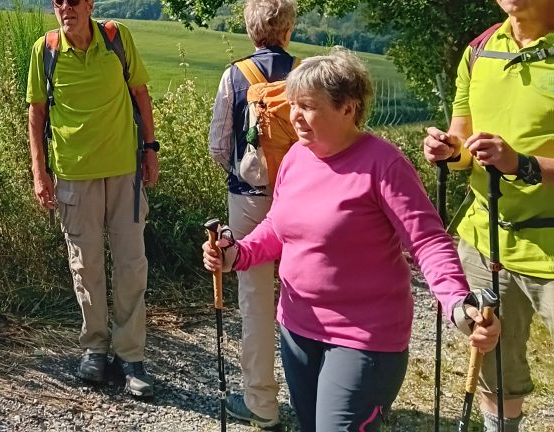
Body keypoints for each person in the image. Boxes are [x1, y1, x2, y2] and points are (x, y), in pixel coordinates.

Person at [204, 48, 501, 431]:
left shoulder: (384, 165)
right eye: (293, 105)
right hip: (298, 328)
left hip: (365, 338)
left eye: (308, 106)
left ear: (348, 109)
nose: (295, 116)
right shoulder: (296, 157)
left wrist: (459, 302)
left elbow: (427, 241)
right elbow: (279, 226)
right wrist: (237, 254)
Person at [423, 0, 554, 432]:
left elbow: (515, 159)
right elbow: (463, 138)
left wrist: (523, 164)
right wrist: (449, 153)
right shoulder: (480, 51)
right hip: (487, 241)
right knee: (495, 371)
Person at [26, 0, 160, 398]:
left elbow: (140, 93)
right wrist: (39, 171)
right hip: (72, 174)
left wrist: (151, 148)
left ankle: (131, 356)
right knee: (86, 267)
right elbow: (37, 115)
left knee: (130, 265)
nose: (66, 9)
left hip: (125, 170)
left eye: (73, 0)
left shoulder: (116, 39)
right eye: (58, 2)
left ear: (91, 4)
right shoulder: (44, 51)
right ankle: (95, 350)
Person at [207, 0, 298, 429]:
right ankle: (317, 392)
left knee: (255, 300)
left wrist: (240, 174)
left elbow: (218, 145)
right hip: (301, 199)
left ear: (251, 29)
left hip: (248, 198)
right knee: (305, 294)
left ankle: (262, 405)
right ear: (289, 29)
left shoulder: (234, 76)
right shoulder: (306, 75)